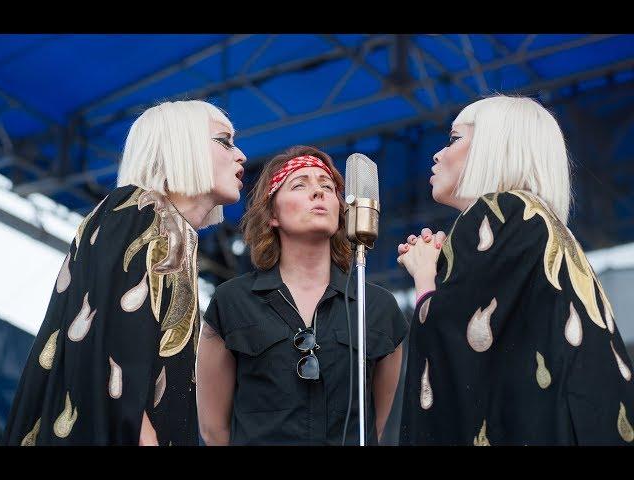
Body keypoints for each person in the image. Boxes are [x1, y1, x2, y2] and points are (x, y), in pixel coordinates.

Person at [2, 100, 246, 445]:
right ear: (180, 144)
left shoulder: (168, 230)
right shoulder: (135, 210)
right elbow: (110, 357)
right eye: (225, 140)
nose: (241, 155)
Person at [397, 95, 634, 446]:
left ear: (494, 147)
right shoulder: (539, 223)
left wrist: (424, 277)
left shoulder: (499, 212)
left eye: (454, 139)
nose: (437, 154)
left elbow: (453, 346)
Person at [196, 145, 409, 445]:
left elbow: (375, 423)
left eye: (327, 186)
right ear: (272, 214)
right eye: (299, 185)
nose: (319, 193)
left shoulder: (377, 306)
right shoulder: (230, 300)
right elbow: (213, 430)